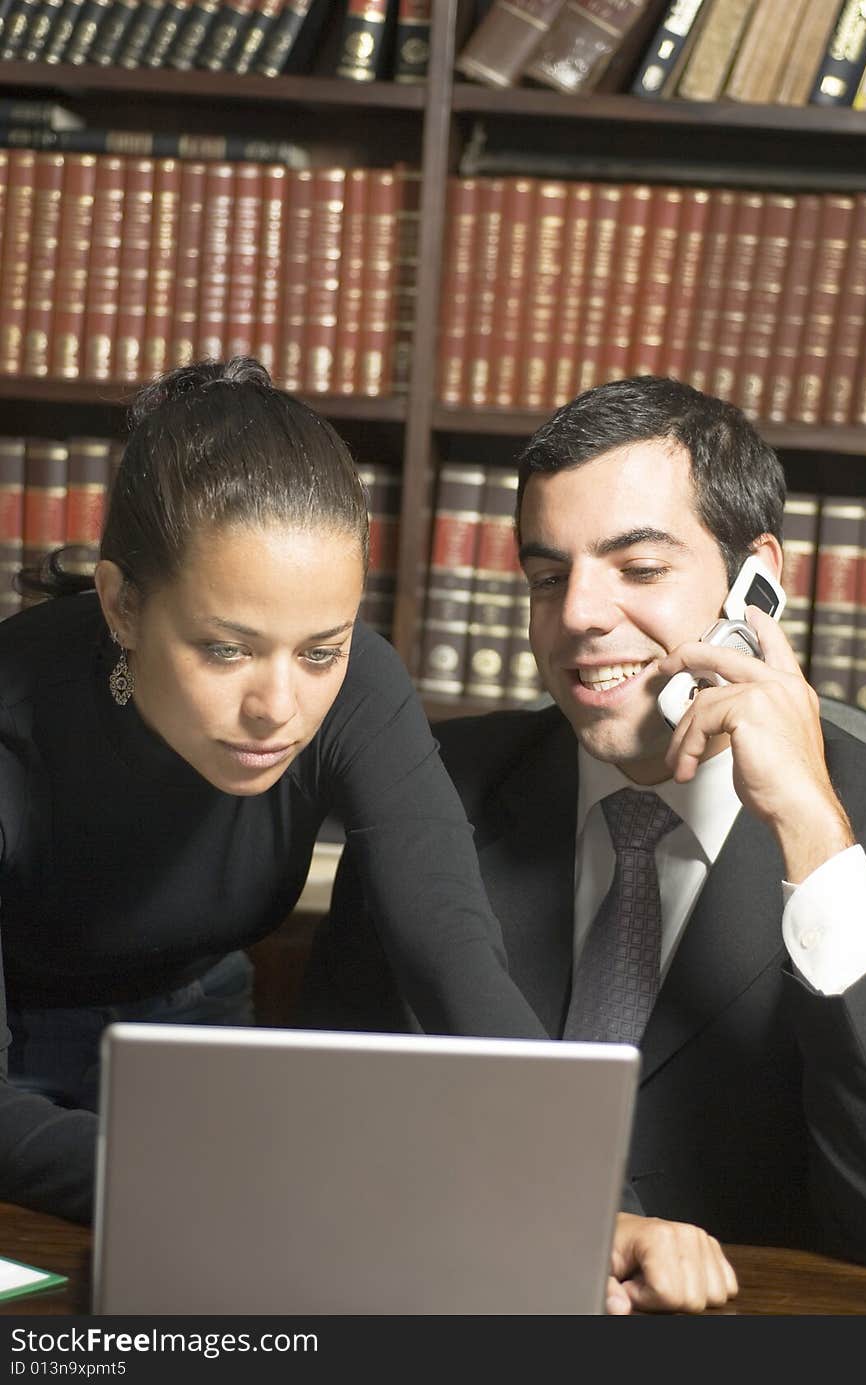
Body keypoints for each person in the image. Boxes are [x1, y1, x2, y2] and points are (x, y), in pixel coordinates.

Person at [0, 359, 732, 1316]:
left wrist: (597, 1203)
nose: (278, 707)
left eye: (320, 650)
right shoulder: (15, 717)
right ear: (122, 604)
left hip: (199, 1048)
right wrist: (224, 1189)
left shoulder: (357, 687)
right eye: (225, 648)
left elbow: (452, 959)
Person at [299, 374, 866, 1278]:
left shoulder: (857, 827)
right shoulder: (429, 790)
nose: (576, 617)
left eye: (640, 569)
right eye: (547, 576)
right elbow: (326, 1126)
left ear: (755, 581)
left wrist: (812, 834)